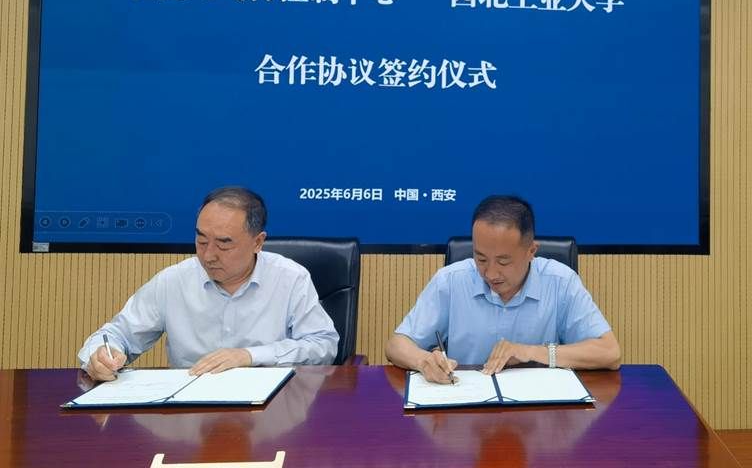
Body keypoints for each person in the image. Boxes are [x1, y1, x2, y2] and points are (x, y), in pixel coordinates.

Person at [79, 186, 338, 381]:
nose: (208, 255)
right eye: (201, 240)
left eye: (224, 244)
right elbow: (116, 334)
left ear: (258, 242)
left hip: (271, 409)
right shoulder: (174, 281)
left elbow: (323, 345)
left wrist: (249, 356)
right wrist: (102, 355)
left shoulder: (290, 278)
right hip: (190, 411)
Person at [385, 195, 620, 383]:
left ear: (531, 251)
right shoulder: (451, 281)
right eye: (481, 259)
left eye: (503, 261)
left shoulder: (560, 282)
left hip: (538, 412)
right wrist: (424, 361)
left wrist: (531, 352)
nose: (490, 273)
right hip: (465, 409)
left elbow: (609, 352)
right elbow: (397, 345)